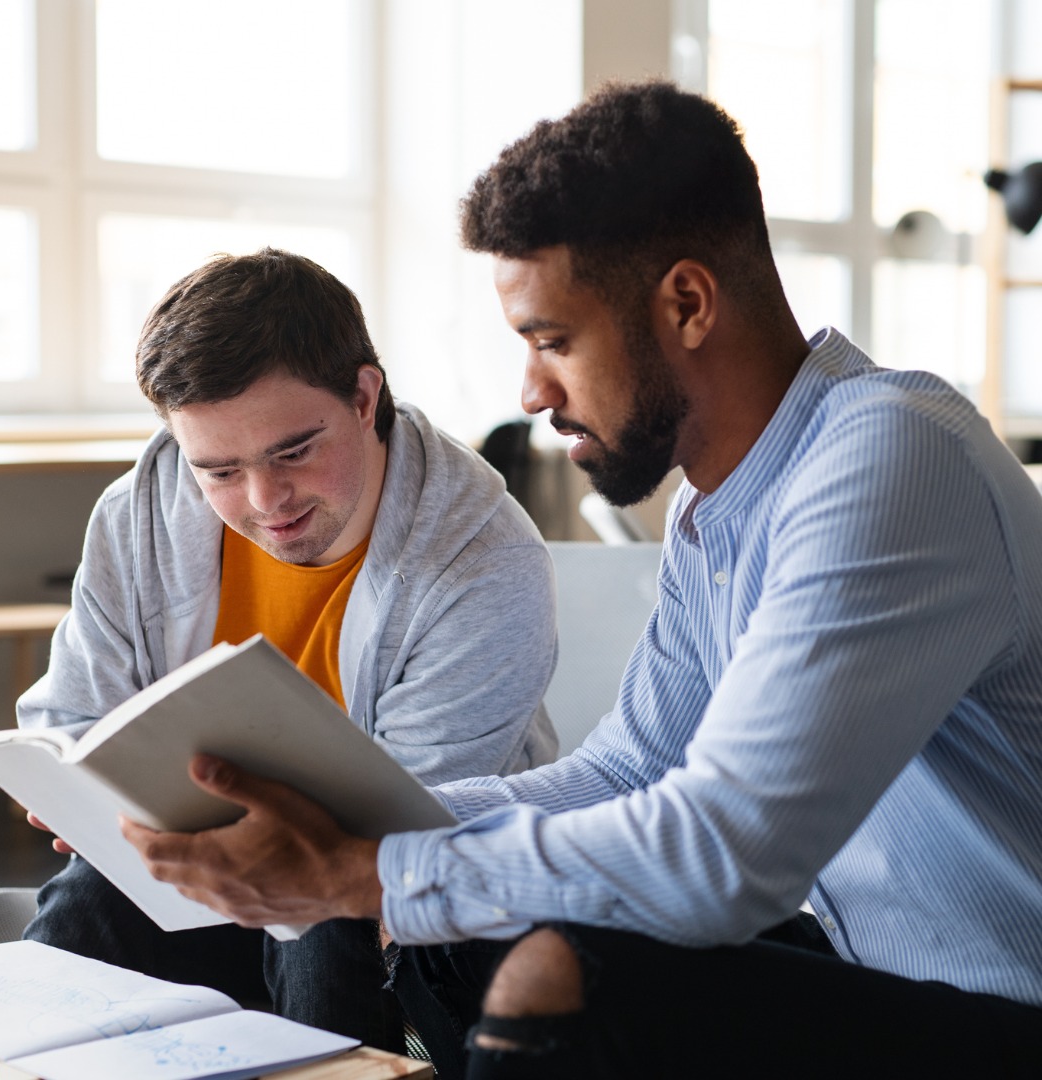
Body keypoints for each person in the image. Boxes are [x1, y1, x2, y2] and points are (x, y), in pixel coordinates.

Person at [121, 83, 1042, 1078]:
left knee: (552, 970)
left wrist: (368, 870)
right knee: (461, 924)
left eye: (553, 340)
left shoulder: (891, 452)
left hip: (1003, 1011)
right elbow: (632, 771)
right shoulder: (713, 514)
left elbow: (725, 850)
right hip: (875, 972)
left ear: (686, 303)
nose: (531, 391)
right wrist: (359, 824)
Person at [19, 247, 559, 1054]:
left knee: (322, 913)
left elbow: (403, 827)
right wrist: (74, 787)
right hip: (200, 872)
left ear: (364, 396)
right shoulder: (137, 511)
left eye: (294, 451)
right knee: (90, 898)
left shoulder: (484, 555)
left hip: (390, 907)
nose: (267, 504)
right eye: (220, 470)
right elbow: (70, 711)